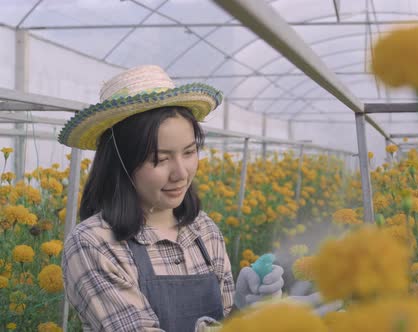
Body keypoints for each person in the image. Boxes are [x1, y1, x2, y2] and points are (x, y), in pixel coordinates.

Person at [58, 65, 285, 331]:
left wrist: (244, 309)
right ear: (121, 163)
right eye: (160, 159)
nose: (181, 173)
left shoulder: (204, 230)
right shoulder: (93, 243)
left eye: (189, 152)